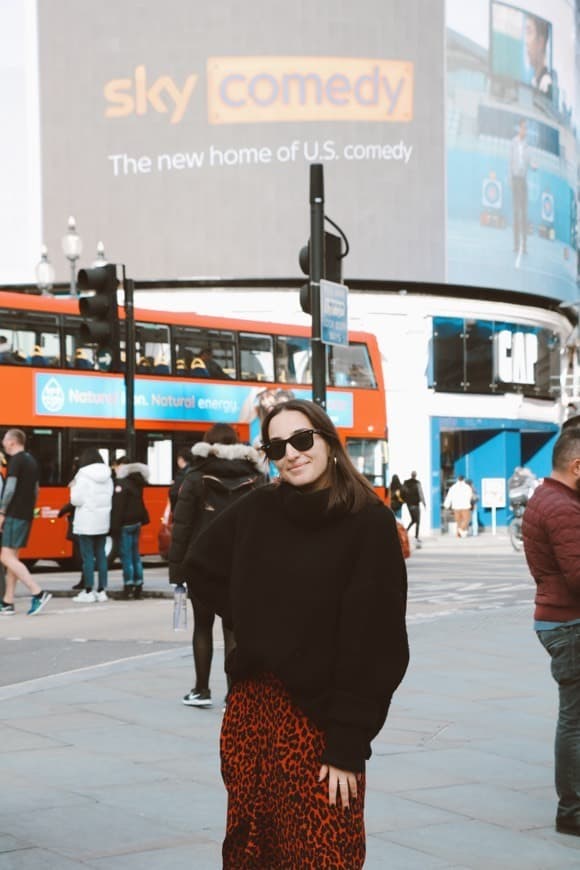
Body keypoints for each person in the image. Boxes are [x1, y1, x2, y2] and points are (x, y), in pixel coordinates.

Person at [184, 399, 409, 867]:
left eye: (303, 440)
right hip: (253, 711)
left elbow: (379, 646)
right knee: (252, 851)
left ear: (327, 441)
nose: (292, 453)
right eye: (277, 446)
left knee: (325, 853)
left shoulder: (368, 521)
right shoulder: (260, 506)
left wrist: (348, 742)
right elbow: (200, 566)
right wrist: (258, 622)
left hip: (321, 719)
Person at [169, 424, 265, 708]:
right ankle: (234, 694)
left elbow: (182, 527)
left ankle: (200, 689)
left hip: (202, 563)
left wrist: (177, 572)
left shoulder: (196, 477)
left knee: (202, 626)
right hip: (242, 564)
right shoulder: (256, 478)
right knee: (233, 630)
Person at [522, 429, 580, 837]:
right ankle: (573, 810)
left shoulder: (552, 498)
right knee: (575, 720)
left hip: (559, 618)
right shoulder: (561, 508)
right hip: (570, 623)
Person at [0, 429, 51, 615]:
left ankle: (37, 592)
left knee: (5, 557)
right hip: (25, 514)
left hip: (14, 514)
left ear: (13, 442)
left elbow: (10, 489)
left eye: (5, 440)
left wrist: (2, 511)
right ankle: (8, 601)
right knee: (13, 558)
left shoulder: (16, 461)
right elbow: (36, 490)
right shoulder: (31, 461)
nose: (3, 443)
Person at [70, 448, 113, 603]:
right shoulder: (108, 476)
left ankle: (88, 590)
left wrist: (73, 487)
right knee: (101, 556)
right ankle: (102, 591)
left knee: (87, 557)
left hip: (87, 521)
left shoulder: (82, 476)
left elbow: (76, 500)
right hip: (102, 521)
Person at [110, 457, 150, 599]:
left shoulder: (122, 483)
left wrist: (113, 526)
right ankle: (138, 586)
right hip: (137, 522)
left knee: (126, 556)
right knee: (135, 555)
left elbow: (118, 507)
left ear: (122, 466)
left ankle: (128, 586)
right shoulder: (137, 481)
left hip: (126, 523)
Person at [510, 119, 535, 256]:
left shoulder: (528, 147)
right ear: (519, 128)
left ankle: (524, 245)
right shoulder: (513, 143)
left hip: (523, 180)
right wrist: (510, 179)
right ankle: (516, 244)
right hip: (515, 180)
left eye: (527, 129)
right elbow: (510, 162)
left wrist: (533, 166)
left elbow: (530, 161)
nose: (525, 131)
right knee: (515, 213)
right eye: (523, 128)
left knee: (524, 213)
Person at [525, 13, 553, 98]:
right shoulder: (534, 81)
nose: (526, 41)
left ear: (541, 42)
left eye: (529, 32)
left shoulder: (547, 83)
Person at [402, 470, 426, 546]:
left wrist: (404, 501)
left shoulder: (406, 483)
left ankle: (406, 531)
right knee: (417, 521)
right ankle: (416, 536)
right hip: (416, 504)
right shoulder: (417, 483)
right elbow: (421, 493)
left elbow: (403, 492)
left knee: (413, 519)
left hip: (409, 504)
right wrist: (424, 503)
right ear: (415, 475)